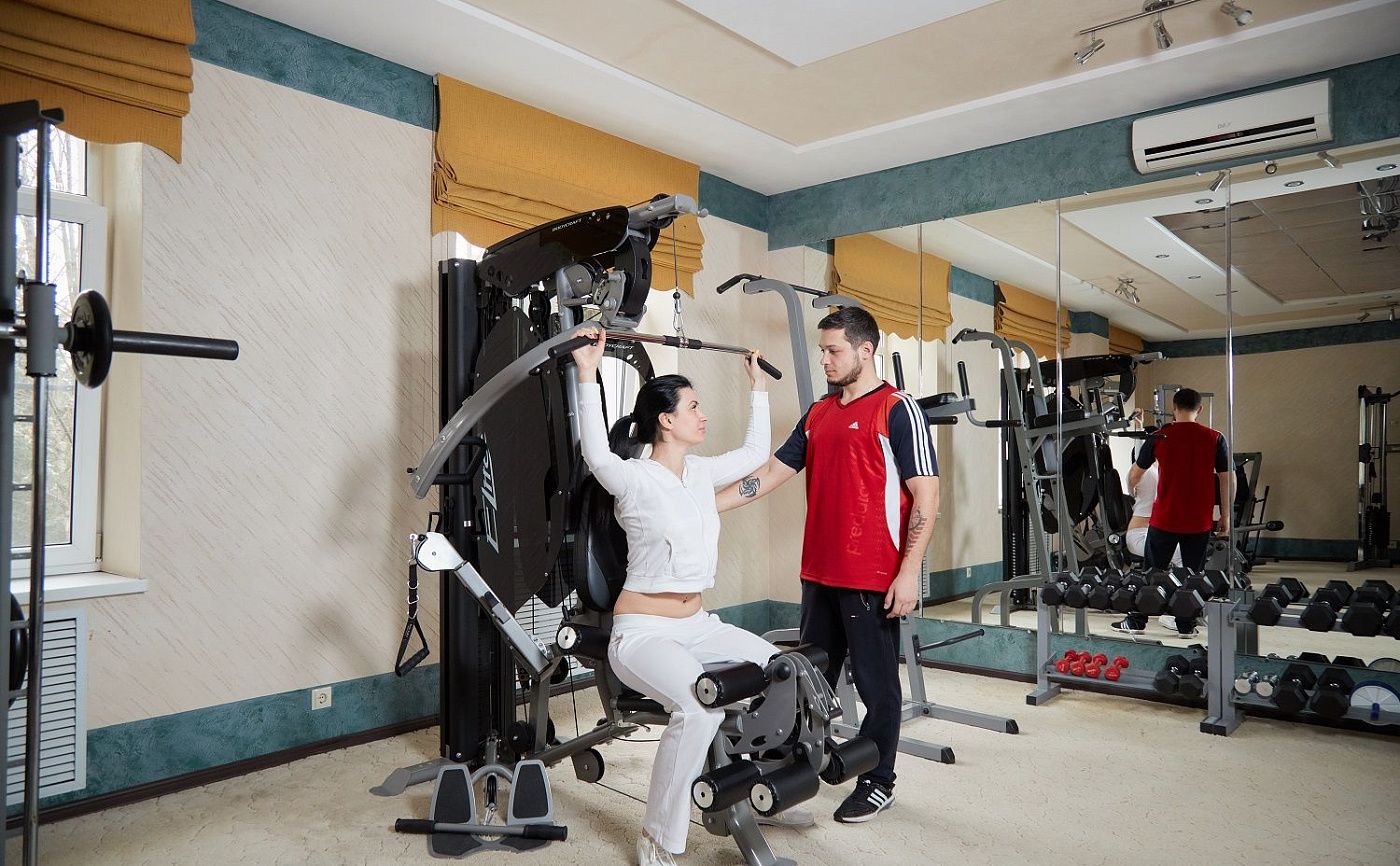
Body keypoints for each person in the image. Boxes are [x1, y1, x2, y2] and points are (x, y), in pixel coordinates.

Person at [569, 328, 793, 866]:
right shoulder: (632, 479)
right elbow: (594, 451)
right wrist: (586, 371)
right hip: (642, 634)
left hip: (699, 625)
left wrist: (757, 386)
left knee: (783, 671)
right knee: (699, 707)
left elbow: (755, 453)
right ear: (666, 420)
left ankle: (756, 792)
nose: (703, 415)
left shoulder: (699, 473)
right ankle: (658, 837)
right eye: (694, 407)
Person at [716, 306, 938, 825]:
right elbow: (773, 471)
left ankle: (879, 781)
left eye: (834, 350)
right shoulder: (818, 414)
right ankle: (790, 775)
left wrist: (909, 572)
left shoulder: (897, 409)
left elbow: (926, 497)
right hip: (818, 572)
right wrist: (707, 505)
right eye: (822, 351)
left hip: (870, 577)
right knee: (808, 681)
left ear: (866, 350)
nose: (825, 360)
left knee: (877, 687)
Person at [1114, 387, 1230, 637]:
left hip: (1165, 519)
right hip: (1199, 521)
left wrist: (1133, 490)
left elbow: (1135, 474)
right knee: (1193, 575)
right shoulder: (1216, 438)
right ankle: (1185, 625)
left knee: (1152, 573)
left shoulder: (1160, 436)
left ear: (1174, 409)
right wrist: (1225, 515)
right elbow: (1225, 479)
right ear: (1200, 409)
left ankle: (1137, 621)